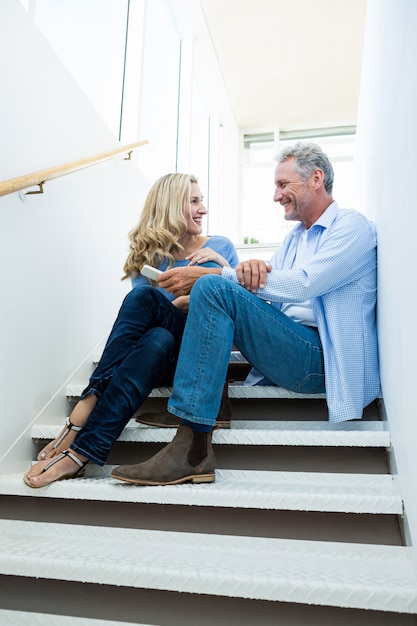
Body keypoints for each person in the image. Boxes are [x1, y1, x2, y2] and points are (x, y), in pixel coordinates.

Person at [110, 141, 380, 487]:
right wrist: (240, 274)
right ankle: (202, 425)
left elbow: (304, 285)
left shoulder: (352, 227)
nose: (276, 195)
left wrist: (218, 276)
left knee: (212, 287)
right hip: (290, 348)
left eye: (283, 185)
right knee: (216, 291)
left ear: (316, 178)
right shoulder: (295, 240)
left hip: (321, 359)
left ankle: (191, 448)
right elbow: (267, 304)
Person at [24, 173, 239, 488]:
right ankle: (83, 449)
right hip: (159, 358)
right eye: (194, 201)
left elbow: (237, 308)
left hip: (197, 357)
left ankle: (84, 419)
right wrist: (177, 301)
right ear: (170, 206)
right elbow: (146, 323)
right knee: (155, 336)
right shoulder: (149, 256)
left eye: (201, 200)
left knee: (146, 300)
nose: (202, 209)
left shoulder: (221, 248)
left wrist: (216, 272)